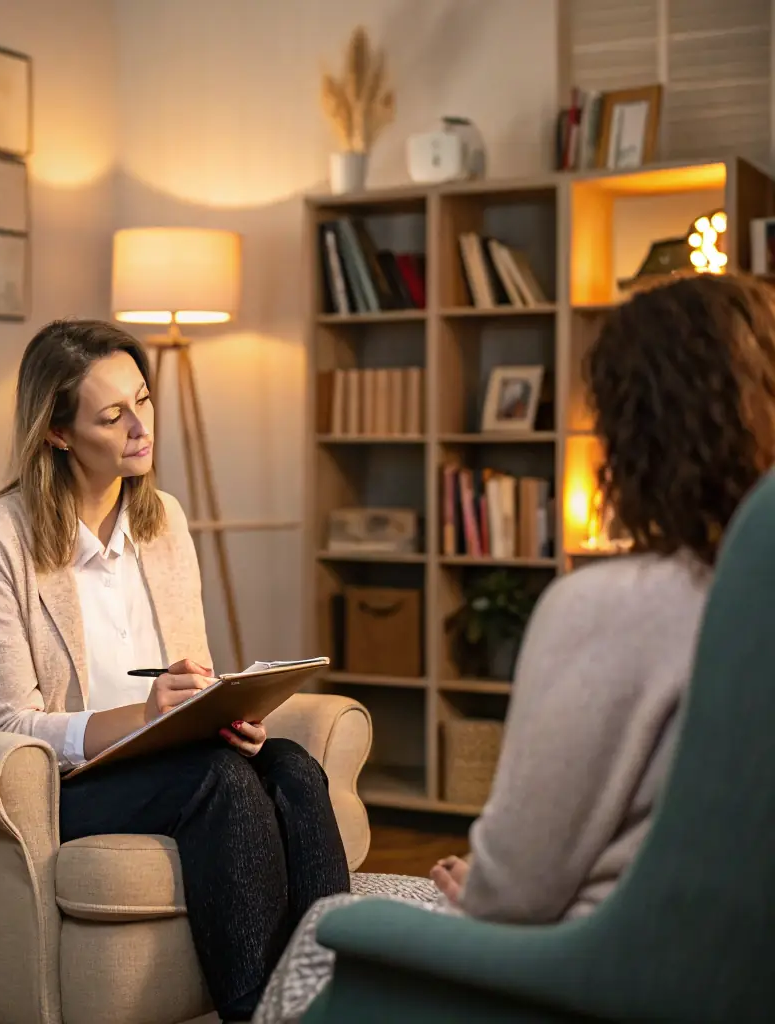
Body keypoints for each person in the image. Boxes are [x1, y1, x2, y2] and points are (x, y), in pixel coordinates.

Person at [253, 273, 775, 1023]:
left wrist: (481, 886)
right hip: (730, 973)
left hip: (583, 968)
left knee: (329, 920)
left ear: (630, 430)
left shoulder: (607, 606)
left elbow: (515, 892)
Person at [0, 319, 351, 1022]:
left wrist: (224, 712)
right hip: (53, 787)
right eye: (112, 414)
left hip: (164, 760)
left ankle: (334, 1001)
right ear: (58, 433)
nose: (140, 426)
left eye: (144, 399)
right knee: (218, 781)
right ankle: (257, 1013)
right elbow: (4, 722)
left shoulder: (164, 522)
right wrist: (147, 716)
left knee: (291, 769)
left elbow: (187, 673)